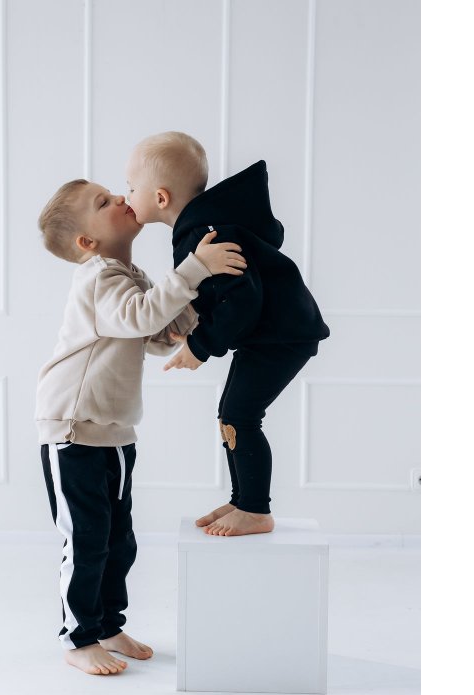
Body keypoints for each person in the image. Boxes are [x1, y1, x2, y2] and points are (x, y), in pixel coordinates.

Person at [34, 178, 246, 675]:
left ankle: (108, 625)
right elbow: (139, 317)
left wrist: (189, 317)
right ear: (87, 241)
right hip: (72, 428)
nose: (120, 199)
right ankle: (78, 637)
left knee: (118, 539)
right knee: (86, 539)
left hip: (113, 430)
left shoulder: (129, 275)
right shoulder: (98, 277)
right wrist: (194, 268)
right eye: (104, 202)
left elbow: (152, 335)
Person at [125, 131, 330, 537]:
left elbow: (243, 299)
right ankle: (243, 500)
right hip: (273, 334)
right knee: (231, 414)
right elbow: (224, 297)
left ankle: (255, 509)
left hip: (283, 336)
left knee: (240, 415)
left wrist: (200, 347)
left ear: (161, 198)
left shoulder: (202, 235)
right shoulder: (203, 226)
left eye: (132, 188)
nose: (126, 196)